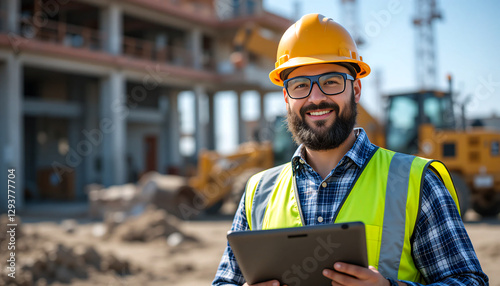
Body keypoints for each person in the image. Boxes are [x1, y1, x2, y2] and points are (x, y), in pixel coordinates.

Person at [212, 13, 488, 286]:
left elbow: (468, 281)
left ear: (355, 89)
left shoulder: (417, 182)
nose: (316, 97)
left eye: (331, 81)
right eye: (300, 86)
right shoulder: (258, 192)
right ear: (286, 98)